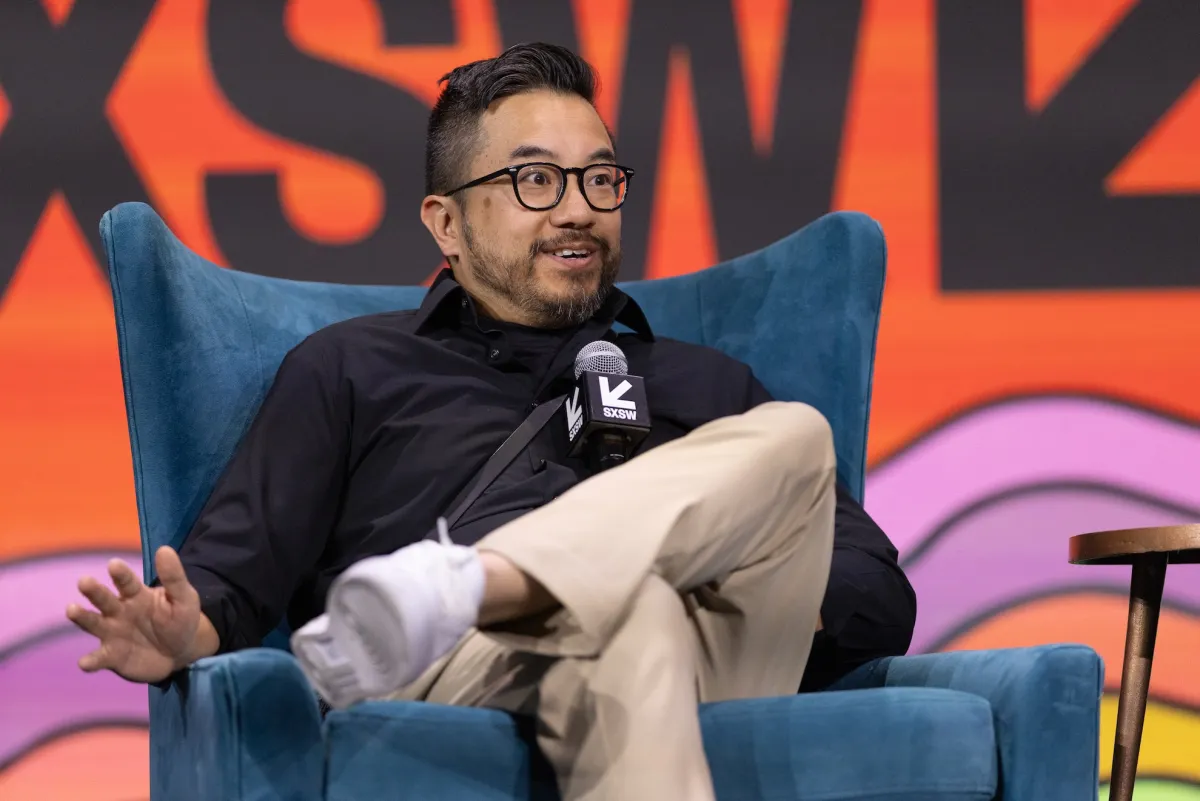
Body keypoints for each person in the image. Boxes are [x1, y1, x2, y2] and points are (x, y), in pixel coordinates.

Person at [67, 43, 916, 801]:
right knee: (635, 615)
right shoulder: (353, 367)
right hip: (463, 661)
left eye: (600, 179)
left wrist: (700, 571)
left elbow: (876, 593)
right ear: (447, 222)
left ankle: (464, 579)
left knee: (795, 436)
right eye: (534, 180)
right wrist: (181, 632)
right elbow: (233, 574)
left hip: (718, 648)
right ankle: (486, 596)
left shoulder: (708, 382)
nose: (578, 209)